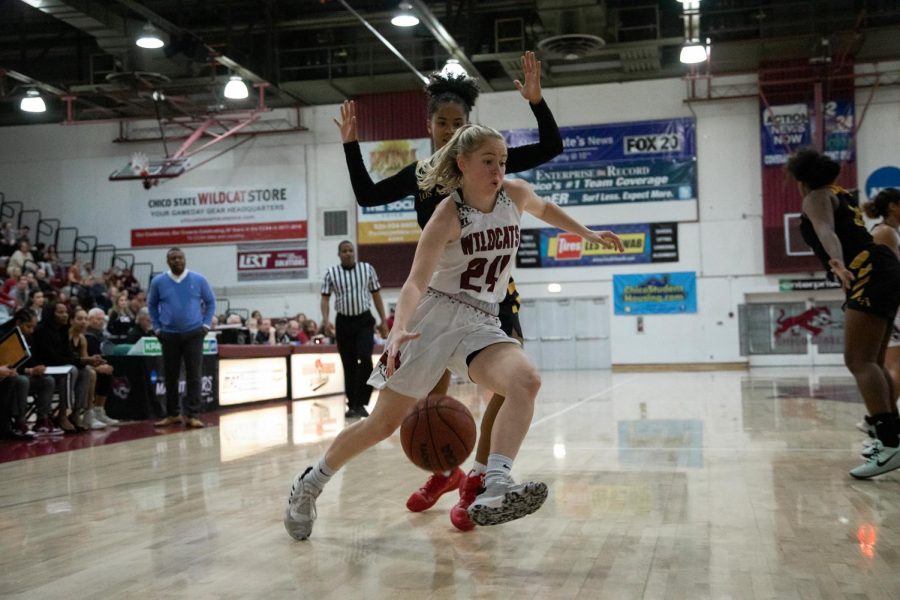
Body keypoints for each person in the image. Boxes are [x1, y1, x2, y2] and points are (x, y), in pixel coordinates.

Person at [284, 124, 624, 540]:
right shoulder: (447, 214)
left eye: (501, 162)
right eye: (487, 162)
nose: (498, 170)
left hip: (482, 319)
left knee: (524, 380)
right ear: (461, 163)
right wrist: (398, 328)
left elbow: (546, 207)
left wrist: (587, 233)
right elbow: (414, 282)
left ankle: (493, 484)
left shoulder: (513, 195)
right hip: (432, 321)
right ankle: (309, 484)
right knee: (381, 425)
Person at [335, 51, 564, 528]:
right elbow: (367, 195)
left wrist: (538, 103)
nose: (448, 128)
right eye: (442, 121)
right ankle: (444, 470)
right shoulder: (421, 177)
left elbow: (550, 147)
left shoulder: (487, 162)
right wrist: (352, 145)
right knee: (427, 399)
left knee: (509, 384)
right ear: (430, 125)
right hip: (439, 298)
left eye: (458, 122)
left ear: (467, 127)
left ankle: (479, 481)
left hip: (490, 296)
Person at [786, 149, 900, 479]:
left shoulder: (816, 196)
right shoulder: (840, 193)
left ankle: (890, 443)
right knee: (874, 361)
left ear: (801, 180)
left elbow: (825, 232)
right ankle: (889, 437)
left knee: (858, 360)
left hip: (869, 271)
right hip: (881, 270)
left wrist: (835, 261)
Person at [147, 247, 215, 429]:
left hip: (194, 333)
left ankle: (193, 415)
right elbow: (151, 305)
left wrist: (206, 324)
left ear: (185, 259)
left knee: (194, 376)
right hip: (168, 334)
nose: (177, 261)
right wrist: (157, 327)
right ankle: (173, 414)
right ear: (167, 261)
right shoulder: (158, 281)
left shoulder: (199, 279)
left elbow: (211, 302)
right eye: (173, 258)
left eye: (180, 257)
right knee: (170, 376)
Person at [320, 240, 388, 419]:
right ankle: (353, 405)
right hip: (343, 322)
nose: (348, 253)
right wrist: (326, 320)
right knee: (348, 365)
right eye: (344, 251)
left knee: (365, 358)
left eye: (350, 250)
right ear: (339, 254)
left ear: (354, 253)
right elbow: (325, 299)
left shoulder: (367, 269)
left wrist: (383, 320)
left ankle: (362, 402)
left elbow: (376, 295)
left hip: (364, 321)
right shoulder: (331, 273)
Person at [859, 187, 900, 446]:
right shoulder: (885, 232)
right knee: (894, 367)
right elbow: (891, 274)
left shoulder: (887, 232)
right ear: (894, 206)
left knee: (892, 367)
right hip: (893, 306)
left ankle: (880, 421)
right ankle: (876, 420)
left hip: (891, 305)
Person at [85, 307, 118, 425]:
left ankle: (99, 410)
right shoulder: (87, 336)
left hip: (95, 364)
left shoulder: (101, 335)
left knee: (107, 372)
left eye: (102, 319)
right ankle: (89, 412)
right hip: (86, 366)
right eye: (98, 319)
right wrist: (96, 367)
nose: (101, 322)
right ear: (90, 320)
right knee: (98, 373)